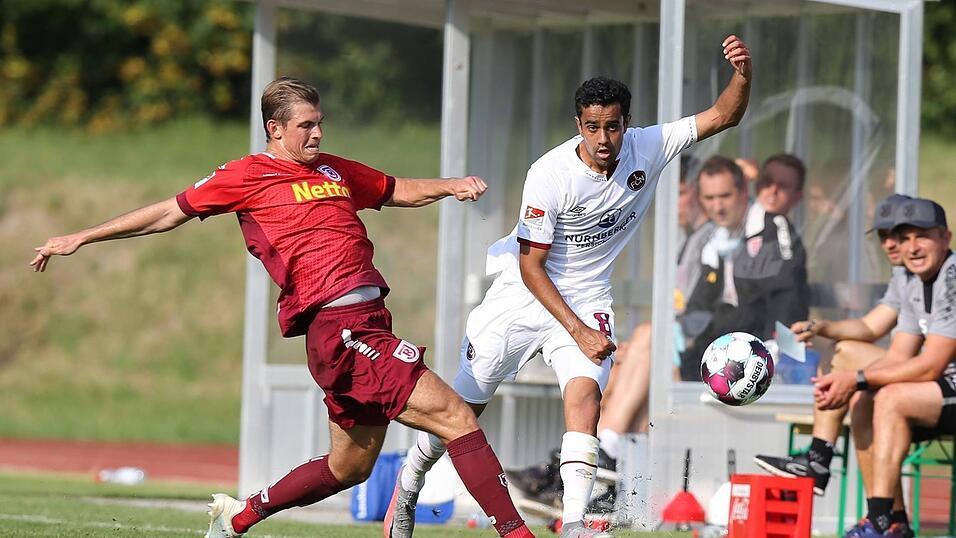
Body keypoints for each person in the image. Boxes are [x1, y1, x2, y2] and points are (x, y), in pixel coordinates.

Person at [29, 77, 536, 538]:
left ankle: (239, 517)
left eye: (320, 124)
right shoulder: (247, 175)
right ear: (275, 129)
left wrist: (449, 186)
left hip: (367, 322)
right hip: (340, 329)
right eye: (306, 126)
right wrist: (81, 236)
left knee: (350, 468)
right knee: (455, 416)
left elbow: (394, 189)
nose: (317, 134)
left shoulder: (334, 170)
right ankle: (516, 533)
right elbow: (167, 212)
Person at [387, 36, 753, 538]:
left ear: (627, 122)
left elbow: (721, 116)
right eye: (593, 127)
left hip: (586, 297)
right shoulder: (549, 175)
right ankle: (408, 485)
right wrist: (578, 330)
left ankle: (577, 525)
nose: (604, 139)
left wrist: (743, 75)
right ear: (578, 125)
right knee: (461, 410)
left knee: (584, 401)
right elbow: (532, 266)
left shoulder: (649, 146)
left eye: (613, 126)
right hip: (521, 295)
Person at [753, 194, 913, 500]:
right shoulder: (905, 276)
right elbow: (870, 326)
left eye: (899, 235)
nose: (890, 244)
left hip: (939, 380)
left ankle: (819, 462)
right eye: (884, 236)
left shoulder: (941, 273)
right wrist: (822, 327)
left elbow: (928, 358)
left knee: (849, 364)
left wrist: (856, 379)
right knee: (845, 361)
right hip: (918, 368)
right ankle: (880, 516)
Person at [813, 197, 956, 538]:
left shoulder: (951, 280)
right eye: (902, 237)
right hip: (942, 388)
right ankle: (889, 523)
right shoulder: (913, 280)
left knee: (888, 396)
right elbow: (898, 355)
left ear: (946, 238)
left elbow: (930, 366)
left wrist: (856, 378)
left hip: (943, 384)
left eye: (922, 236)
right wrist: (855, 383)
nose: (909, 246)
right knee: (867, 396)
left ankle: (880, 521)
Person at [678, 155, 809, 380]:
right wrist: (679, 330)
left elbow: (788, 296)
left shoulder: (772, 229)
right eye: (709, 198)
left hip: (755, 354)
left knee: (648, 350)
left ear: (744, 192)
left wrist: (777, 351)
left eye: (725, 196)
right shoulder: (713, 240)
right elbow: (702, 304)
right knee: (645, 351)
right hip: (717, 347)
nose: (717, 207)